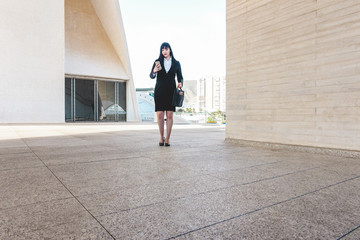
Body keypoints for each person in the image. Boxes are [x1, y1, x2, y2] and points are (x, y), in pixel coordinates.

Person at [150, 42, 183, 147]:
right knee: (160, 114)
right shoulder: (157, 62)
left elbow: (180, 77)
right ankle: (161, 137)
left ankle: (168, 138)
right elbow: (151, 75)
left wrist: (180, 82)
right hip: (160, 91)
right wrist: (155, 71)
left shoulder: (176, 63)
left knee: (169, 114)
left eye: (166, 49)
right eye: (162, 49)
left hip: (171, 91)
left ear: (170, 50)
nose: (164, 51)